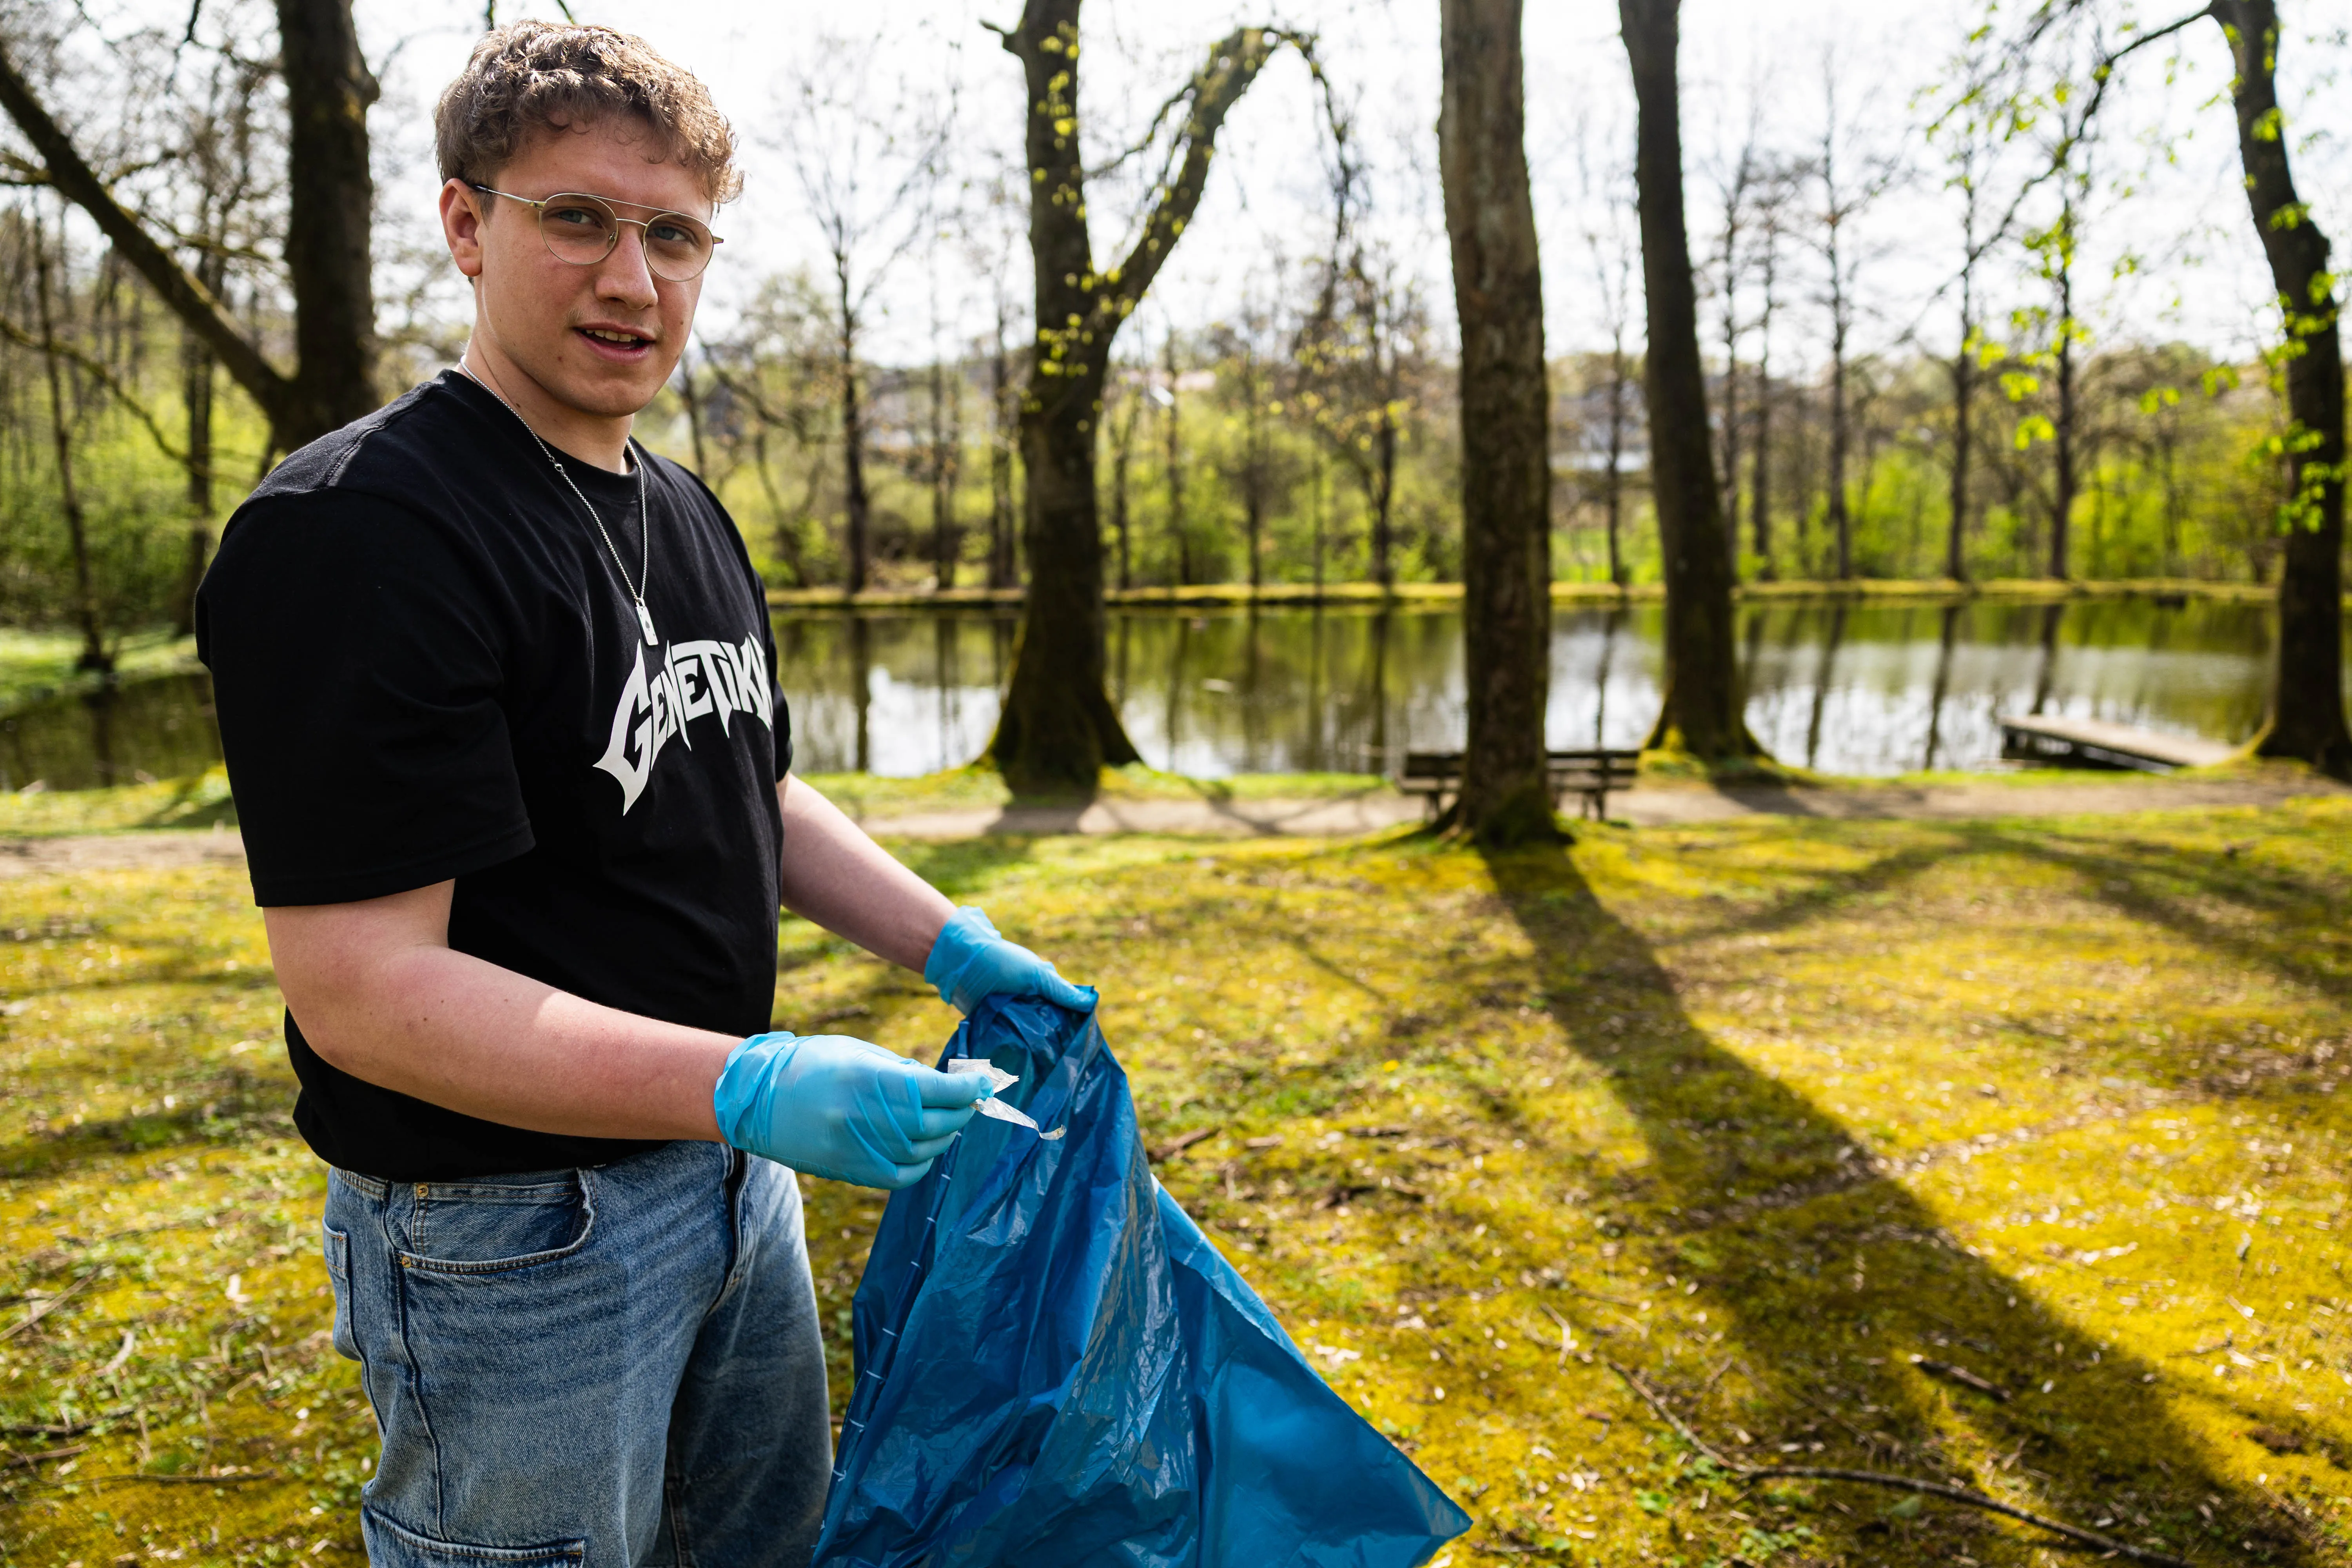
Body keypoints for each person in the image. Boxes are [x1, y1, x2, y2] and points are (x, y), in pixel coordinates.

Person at [194, 23, 1089, 1567]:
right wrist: (747, 1078)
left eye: (675, 235)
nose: (634, 279)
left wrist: (951, 945)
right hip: (513, 1238)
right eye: (579, 220)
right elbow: (363, 991)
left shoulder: (681, 507)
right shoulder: (359, 533)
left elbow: (750, 780)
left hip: (737, 1185)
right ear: (467, 225)